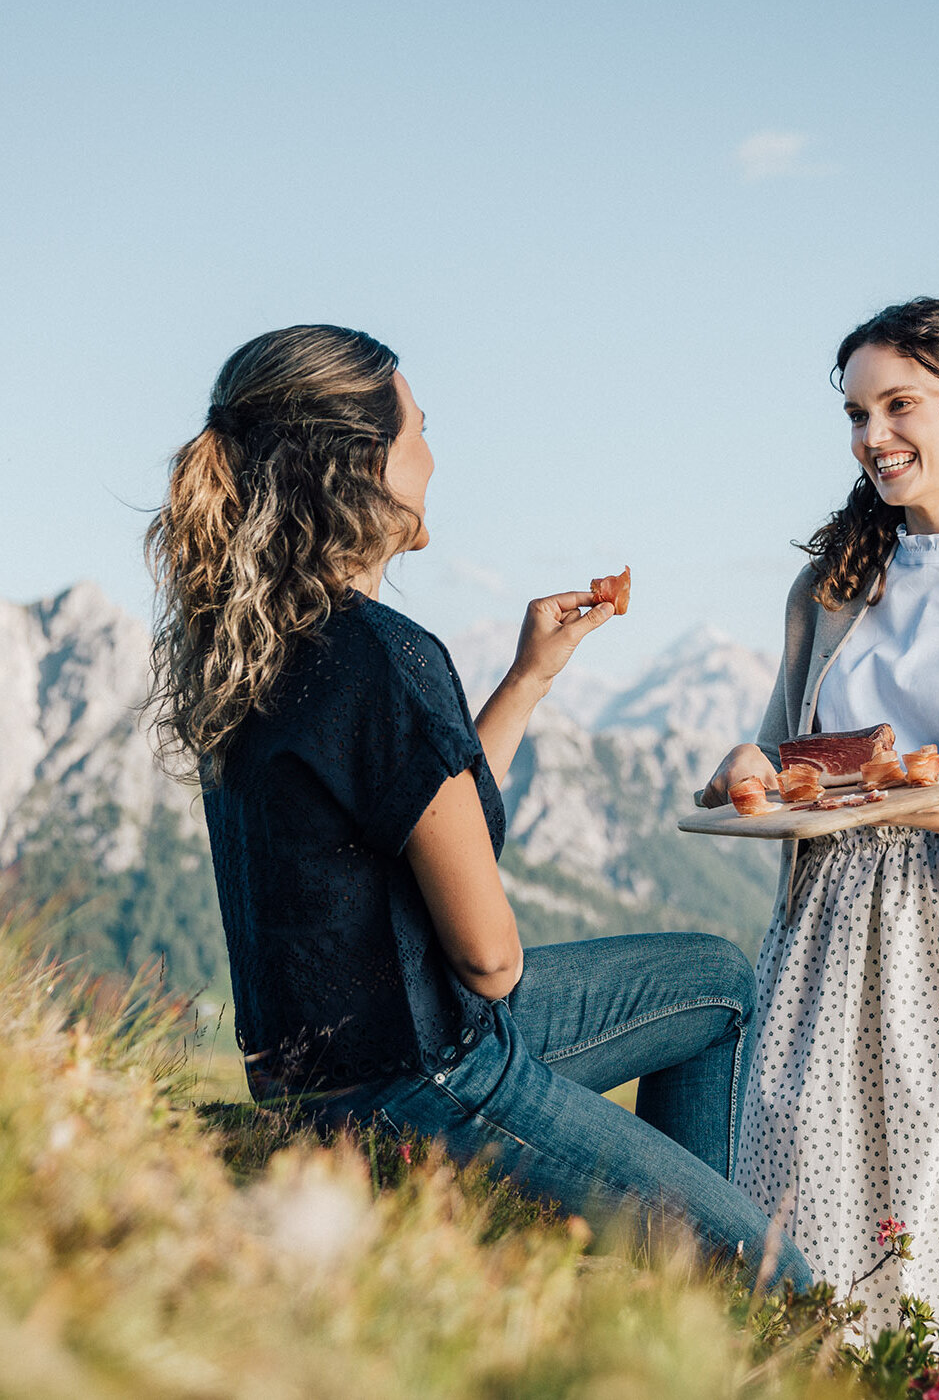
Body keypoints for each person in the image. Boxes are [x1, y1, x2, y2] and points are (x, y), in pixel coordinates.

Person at [145, 321, 810, 1290]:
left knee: (714, 981)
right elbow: (490, 963)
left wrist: (530, 679)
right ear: (367, 463)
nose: (432, 451)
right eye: (419, 427)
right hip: (427, 1079)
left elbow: (425, 809)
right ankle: (713, 1289)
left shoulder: (259, 648)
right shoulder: (386, 653)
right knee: (776, 1275)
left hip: (322, 1075)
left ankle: (675, 1291)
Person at [701, 297, 939, 1383]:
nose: (873, 438)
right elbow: (785, 756)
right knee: (809, 1237)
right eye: (859, 414)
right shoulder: (828, 587)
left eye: (898, 405)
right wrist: (747, 768)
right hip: (824, 945)